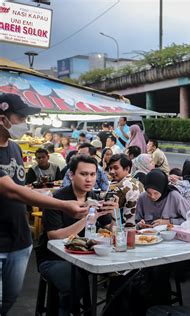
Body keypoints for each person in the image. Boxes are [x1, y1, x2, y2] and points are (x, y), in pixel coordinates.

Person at [35, 155, 117, 316]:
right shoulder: (58, 199)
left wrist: (114, 213)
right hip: (53, 258)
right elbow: (54, 237)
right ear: (71, 175)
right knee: (74, 284)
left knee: (123, 277)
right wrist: (87, 219)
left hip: (86, 256)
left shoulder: (93, 197)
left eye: (92, 175)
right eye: (83, 174)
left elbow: (110, 229)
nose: (89, 179)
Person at [0, 93, 41, 314]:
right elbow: (11, 191)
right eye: (20, 117)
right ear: (2, 119)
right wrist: (62, 204)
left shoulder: (15, 148)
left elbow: (20, 186)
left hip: (20, 241)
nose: (25, 123)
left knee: (9, 298)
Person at [108, 154, 144, 227]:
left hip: (126, 228)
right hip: (140, 225)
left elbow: (107, 209)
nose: (111, 171)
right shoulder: (138, 182)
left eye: (116, 168)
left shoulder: (121, 186)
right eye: (110, 168)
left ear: (127, 169)